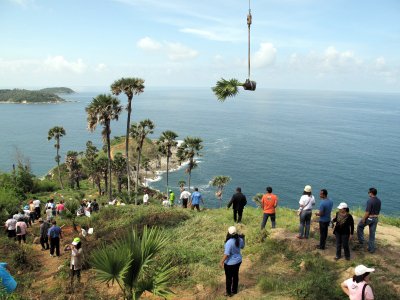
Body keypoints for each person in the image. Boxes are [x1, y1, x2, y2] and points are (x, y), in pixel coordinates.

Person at [219, 226, 245, 297]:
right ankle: (234, 291)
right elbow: (242, 247)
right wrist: (243, 238)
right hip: (238, 261)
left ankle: (228, 293)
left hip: (230, 264)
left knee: (229, 278)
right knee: (235, 276)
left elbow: (226, 254)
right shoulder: (240, 239)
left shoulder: (229, 242)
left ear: (229, 233)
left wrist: (221, 262)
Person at [357, 187, 381, 253]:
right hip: (376, 218)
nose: (368, 193)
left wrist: (364, 219)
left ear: (371, 193)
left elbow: (367, 212)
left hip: (369, 218)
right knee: (372, 234)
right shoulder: (379, 200)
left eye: (368, 192)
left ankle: (361, 241)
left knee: (360, 226)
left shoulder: (370, 201)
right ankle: (371, 249)